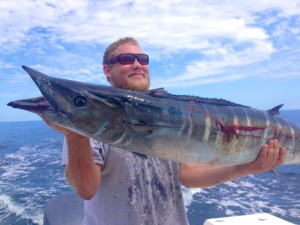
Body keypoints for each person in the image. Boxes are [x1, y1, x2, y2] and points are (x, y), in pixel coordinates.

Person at [44, 37, 286, 225]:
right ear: (107, 70)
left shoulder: (172, 113)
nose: (138, 64)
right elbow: (86, 189)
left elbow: (188, 175)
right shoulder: (91, 125)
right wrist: (75, 135)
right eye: (127, 59)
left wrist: (248, 166)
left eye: (142, 59)